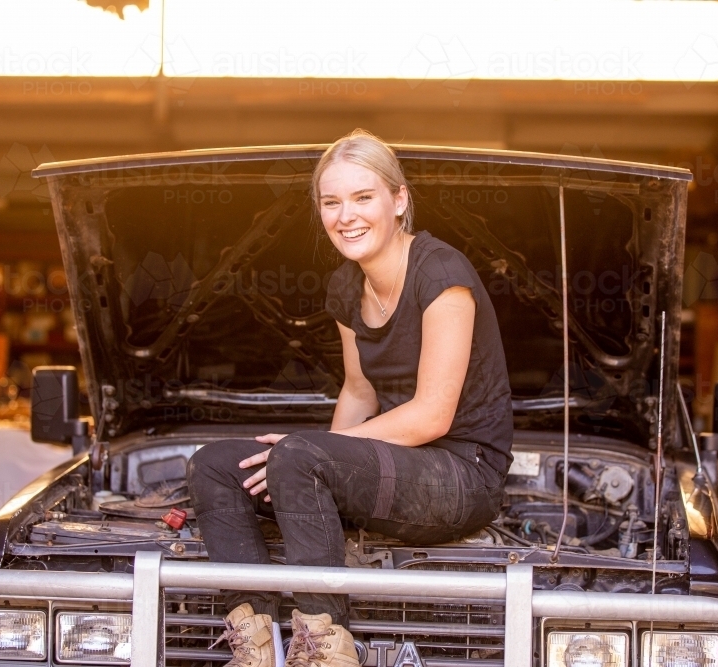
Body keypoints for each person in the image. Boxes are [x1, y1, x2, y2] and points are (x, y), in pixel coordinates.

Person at [187, 129, 513, 667]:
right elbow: (359, 390)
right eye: (331, 202)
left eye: (364, 198)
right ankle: (256, 642)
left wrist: (307, 456)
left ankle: (325, 649)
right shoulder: (345, 287)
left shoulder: (441, 273)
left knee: (297, 453)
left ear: (399, 200)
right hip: (400, 463)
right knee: (215, 465)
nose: (346, 216)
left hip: (462, 474)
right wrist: (316, 467)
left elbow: (433, 415)